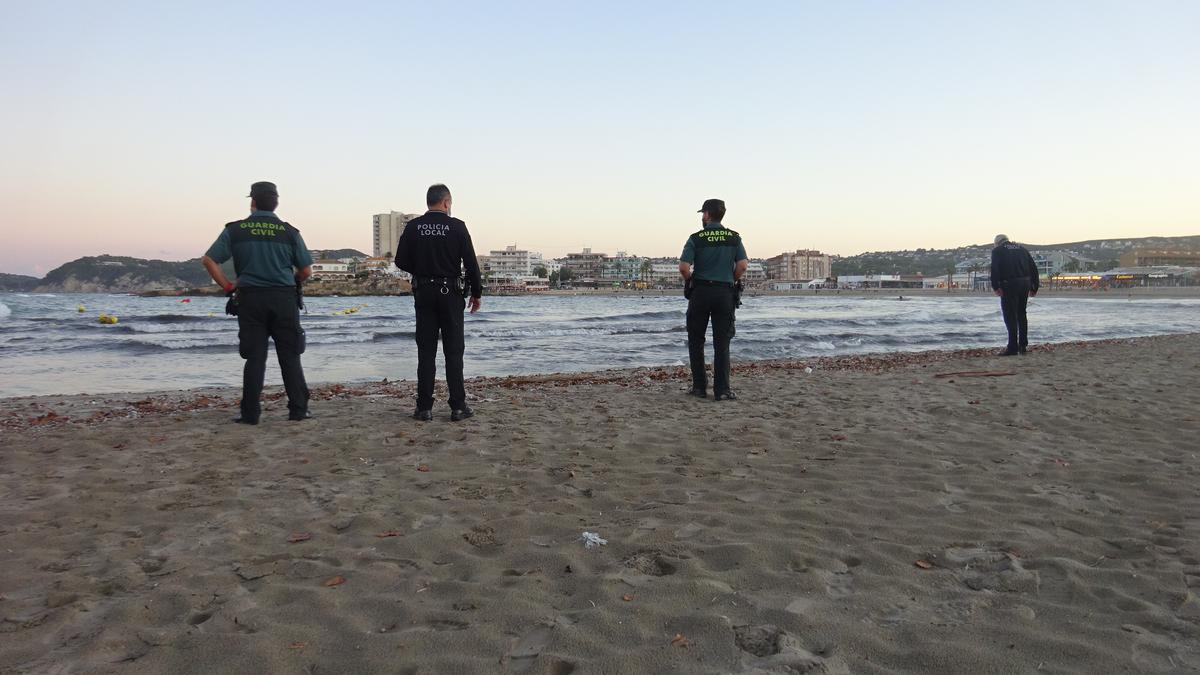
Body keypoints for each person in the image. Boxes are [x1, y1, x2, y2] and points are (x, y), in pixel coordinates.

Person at [201, 181, 313, 424]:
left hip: (250, 299)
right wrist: (292, 281)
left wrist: (229, 286)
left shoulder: (235, 230)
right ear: (276, 203)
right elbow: (305, 270)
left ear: (252, 201)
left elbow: (209, 260)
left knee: (255, 357)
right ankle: (298, 410)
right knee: (290, 355)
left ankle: (250, 414)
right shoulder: (289, 232)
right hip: (283, 297)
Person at [394, 184, 483, 421]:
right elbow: (471, 264)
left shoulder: (413, 227)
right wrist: (477, 293)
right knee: (454, 352)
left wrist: (422, 270)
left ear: (428, 202)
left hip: (424, 293)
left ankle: (424, 408)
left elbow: (400, 260)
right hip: (451, 293)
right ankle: (458, 406)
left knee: (426, 352)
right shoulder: (457, 227)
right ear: (446, 203)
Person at [678, 198, 748, 400]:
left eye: (703, 214)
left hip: (700, 292)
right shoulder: (734, 238)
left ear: (707, 215)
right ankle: (722, 390)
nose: (702, 217)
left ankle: (699, 387)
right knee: (722, 343)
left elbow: (683, 267)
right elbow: (742, 266)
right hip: (724, 293)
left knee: (696, 341)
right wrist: (729, 279)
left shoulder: (696, 238)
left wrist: (690, 281)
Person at [990, 233, 1039, 356]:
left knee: (1010, 316)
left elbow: (994, 268)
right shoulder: (1022, 249)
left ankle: (1012, 347)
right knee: (1022, 314)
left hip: (1009, 284)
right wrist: (1034, 286)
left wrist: (996, 286)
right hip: (1025, 283)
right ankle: (1023, 345)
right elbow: (1033, 268)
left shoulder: (997, 251)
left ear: (997, 243)